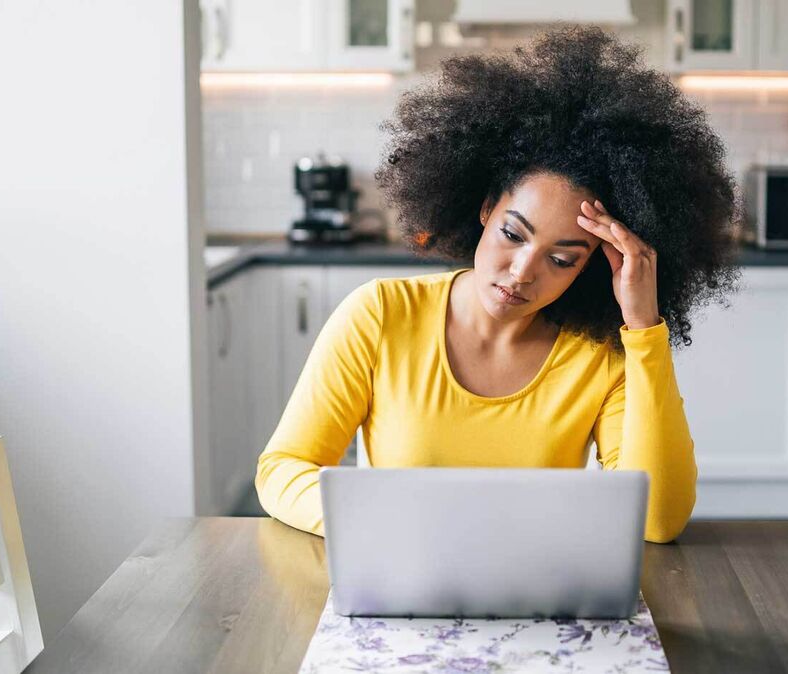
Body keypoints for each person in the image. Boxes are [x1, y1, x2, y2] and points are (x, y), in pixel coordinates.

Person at [255, 26, 740, 544]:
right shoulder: (379, 315)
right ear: (486, 209)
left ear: (591, 267)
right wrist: (383, 524)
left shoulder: (603, 353)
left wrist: (644, 328)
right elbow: (283, 470)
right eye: (512, 233)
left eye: (560, 258)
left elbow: (658, 520)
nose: (522, 271)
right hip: (400, 583)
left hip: (542, 594)